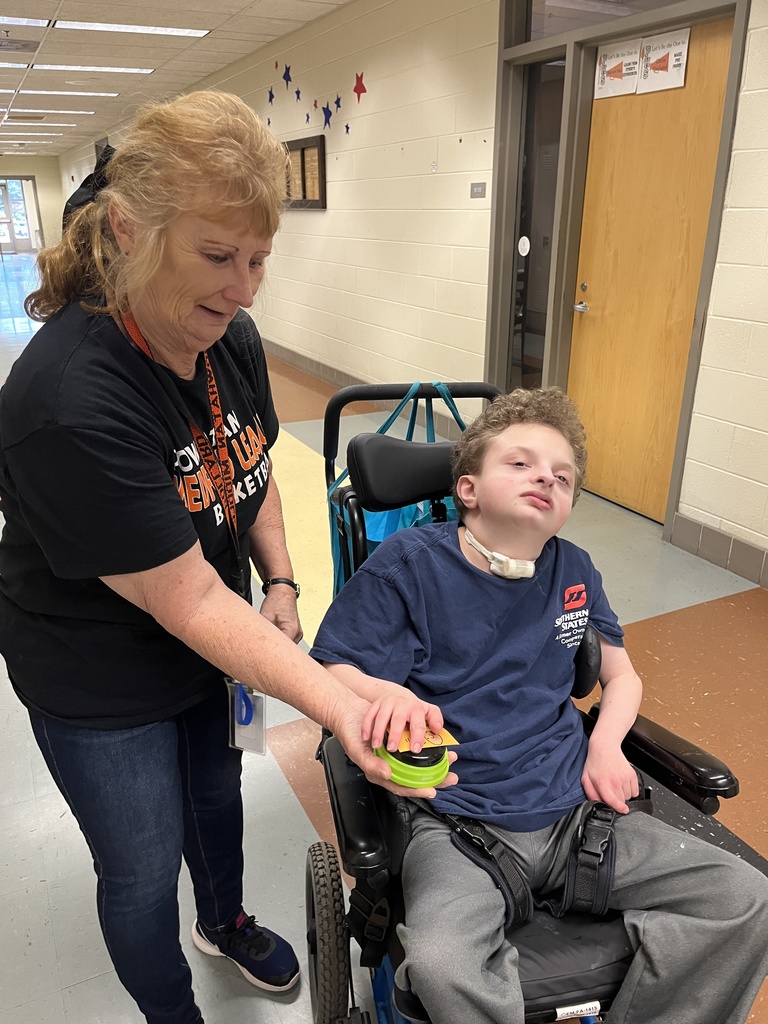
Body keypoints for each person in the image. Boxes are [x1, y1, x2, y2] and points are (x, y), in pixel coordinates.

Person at [0, 90, 451, 1024]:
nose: (244, 288)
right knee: (138, 862)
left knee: (218, 797)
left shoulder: (226, 339)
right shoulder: (70, 399)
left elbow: (250, 474)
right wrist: (337, 698)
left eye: (257, 260)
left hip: (211, 645)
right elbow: (191, 602)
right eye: (216, 256)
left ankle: (226, 919)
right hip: (98, 677)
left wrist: (282, 580)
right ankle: (173, 1011)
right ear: (126, 229)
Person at [310, 387, 768, 1024]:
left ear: (569, 506)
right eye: (520, 463)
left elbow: (622, 676)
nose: (545, 479)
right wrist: (387, 693)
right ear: (468, 488)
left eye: (562, 476)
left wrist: (605, 745)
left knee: (745, 898)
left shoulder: (572, 570)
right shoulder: (408, 566)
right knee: (443, 964)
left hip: (575, 811)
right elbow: (333, 665)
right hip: (457, 818)